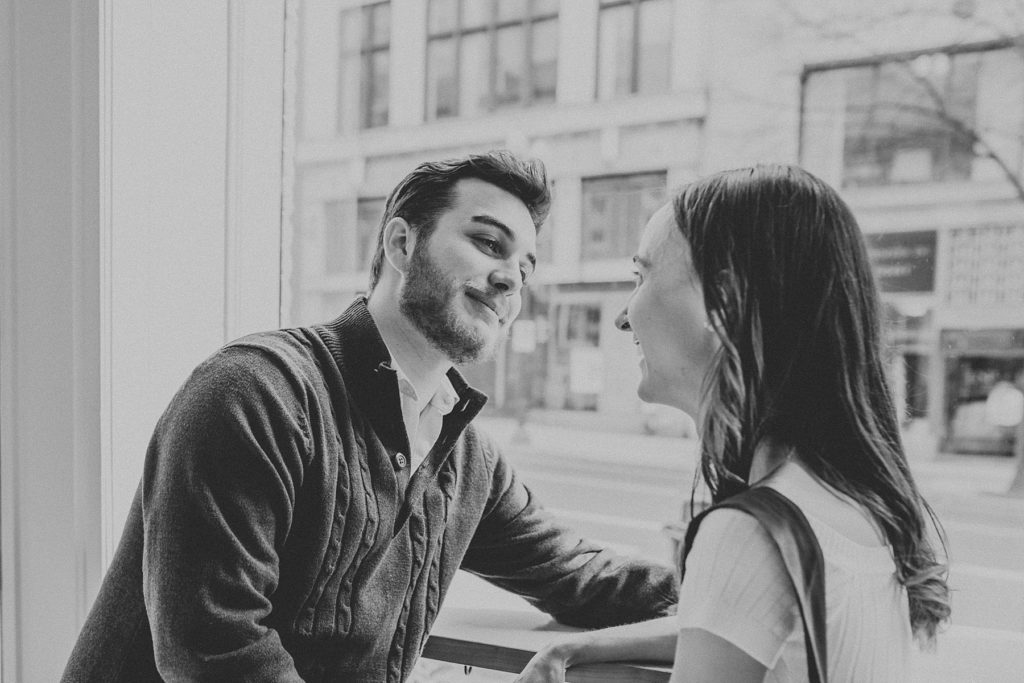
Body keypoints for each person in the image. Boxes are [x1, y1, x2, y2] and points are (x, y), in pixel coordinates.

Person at [61, 151, 678, 683]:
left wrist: (746, 580)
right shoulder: (254, 392)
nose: (509, 280)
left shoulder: (466, 459)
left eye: (524, 267)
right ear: (402, 243)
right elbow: (216, 654)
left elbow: (581, 576)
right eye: (488, 243)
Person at [515, 164, 950, 682]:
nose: (624, 317)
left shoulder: (751, 533)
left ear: (725, 303)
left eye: (643, 275)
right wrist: (577, 650)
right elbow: (742, 625)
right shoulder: (861, 509)